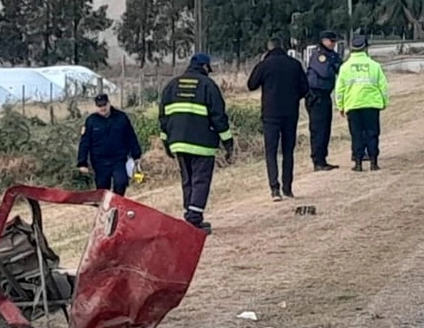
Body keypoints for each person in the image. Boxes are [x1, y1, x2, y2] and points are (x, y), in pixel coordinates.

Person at [159, 53, 234, 234]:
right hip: (202, 143)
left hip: (177, 142)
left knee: (188, 180)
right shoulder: (208, 86)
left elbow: (163, 117)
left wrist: (166, 141)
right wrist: (228, 142)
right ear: (206, 67)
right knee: (200, 180)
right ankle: (193, 220)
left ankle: (190, 215)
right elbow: (219, 117)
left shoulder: (171, 86)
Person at [247, 36, 309, 201]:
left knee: (271, 151)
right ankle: (288, 188)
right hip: (290, 112)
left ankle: (275, 189)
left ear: (268, 49)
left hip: (270, 113)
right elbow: (305, 88)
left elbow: (251, 84)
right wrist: (294, 97)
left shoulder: (265, 65)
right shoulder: (294, 64)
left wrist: (260, 64)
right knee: (288, 151)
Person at [334, 33, 389, 172]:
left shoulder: (345, 67)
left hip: (353, 105)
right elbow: (383, 86)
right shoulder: (374, 66)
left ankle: (358, 163)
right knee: (372, 133)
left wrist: (340, 105)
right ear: (366, 48)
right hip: (371, 104)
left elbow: (339, 89)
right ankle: (374, 162)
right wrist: (384, 102)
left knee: (356, 134)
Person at [76, 93, 142, 195]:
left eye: (104, 105)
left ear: (109, 104)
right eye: (100, 106)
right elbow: (85, 143)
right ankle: (105, 209)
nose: (102, 108)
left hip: (119, 160)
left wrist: (136, 155)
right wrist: (82, 163)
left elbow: (131, 137)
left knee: (121, 183)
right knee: (102, 190)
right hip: (99, 162)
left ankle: (116, 205)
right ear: (96, 106)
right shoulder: (91, 121)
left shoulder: (121, 118)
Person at [305, 30, 342, 171]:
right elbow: (325, 72)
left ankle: (322, 159)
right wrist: (334, 65)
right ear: (324, 40)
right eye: (331, 41)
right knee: (318, 129)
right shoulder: (319, 55)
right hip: (316, 96)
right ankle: (317, 161)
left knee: (326, 129)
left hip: (325, 95)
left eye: (335, 41)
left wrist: (334, 64)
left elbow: (342, 68)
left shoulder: (331, 55)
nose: (333, 44)